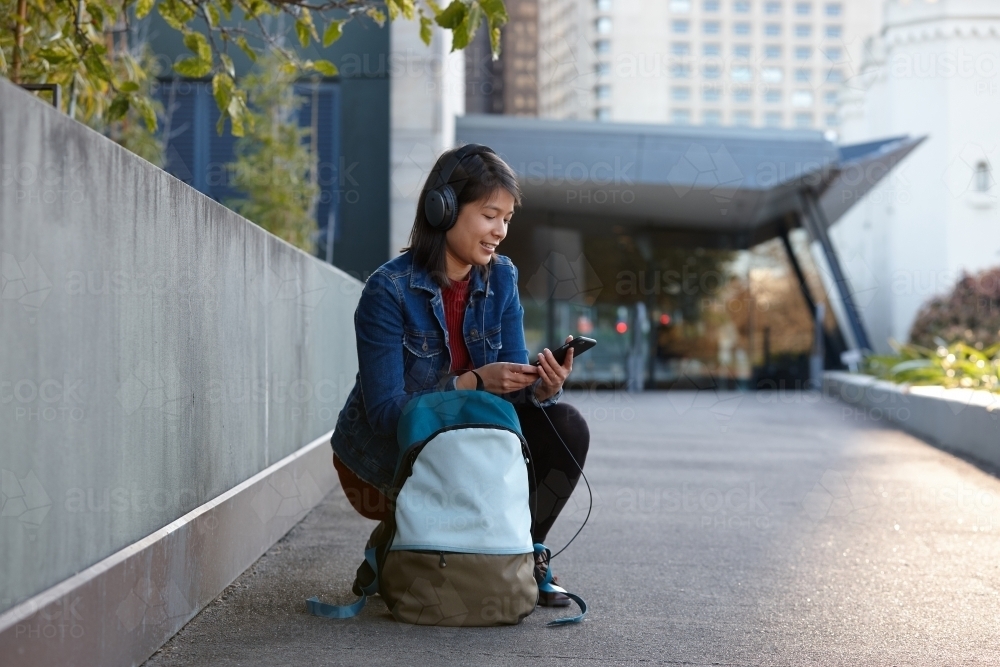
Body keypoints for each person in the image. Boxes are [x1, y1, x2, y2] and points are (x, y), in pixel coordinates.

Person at [330, 144, 590, 607]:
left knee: (565, 424)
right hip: (386, 457)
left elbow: (507, 396)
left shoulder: (501, 278)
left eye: (507, 218)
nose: (500, 232)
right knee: (455, 447)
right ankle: (396, 539)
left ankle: (520, 557)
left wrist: (539, 388)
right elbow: (389, 414)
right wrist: (472, 383)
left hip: (463, 447)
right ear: (443, 207)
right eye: (490, 215)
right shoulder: (387, 291)